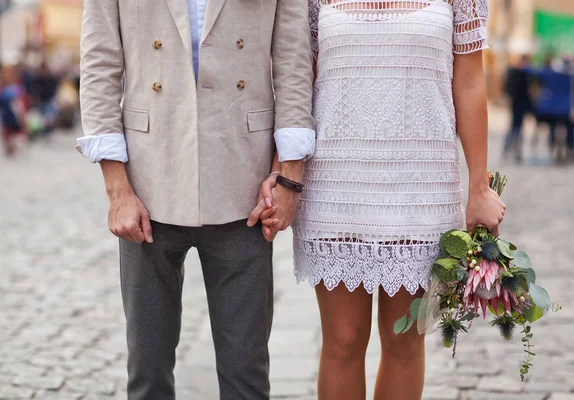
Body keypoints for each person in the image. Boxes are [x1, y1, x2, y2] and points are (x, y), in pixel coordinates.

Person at [252, 1, 505, 399]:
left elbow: (471, 81)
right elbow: (300, 80)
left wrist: (479, 187)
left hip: (422, 188)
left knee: (404, 340)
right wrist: (283, 172)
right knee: (343, 340)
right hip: (336, 187)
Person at [76, 0, 315, 398]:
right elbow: (99, 65)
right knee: (147, 369)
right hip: (148, 186)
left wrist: (289, 177)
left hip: (245, 187)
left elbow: (293, 65)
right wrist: (118, 190)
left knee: (246, 371)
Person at [503, 55, 533, 163]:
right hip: (517, 105)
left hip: (520, 105)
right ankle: (510, 151)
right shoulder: (517, 73)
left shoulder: (521, 73)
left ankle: (513, 152)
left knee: (516, 129)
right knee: (515, 129)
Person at [0, 64, 28, 157]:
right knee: (8, 132)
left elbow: (19, 104)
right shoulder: (6, 87)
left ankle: (13, 148)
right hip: (6, 113)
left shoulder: (16, 88)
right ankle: (10, 148)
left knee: (13, 131)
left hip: (12, 113)